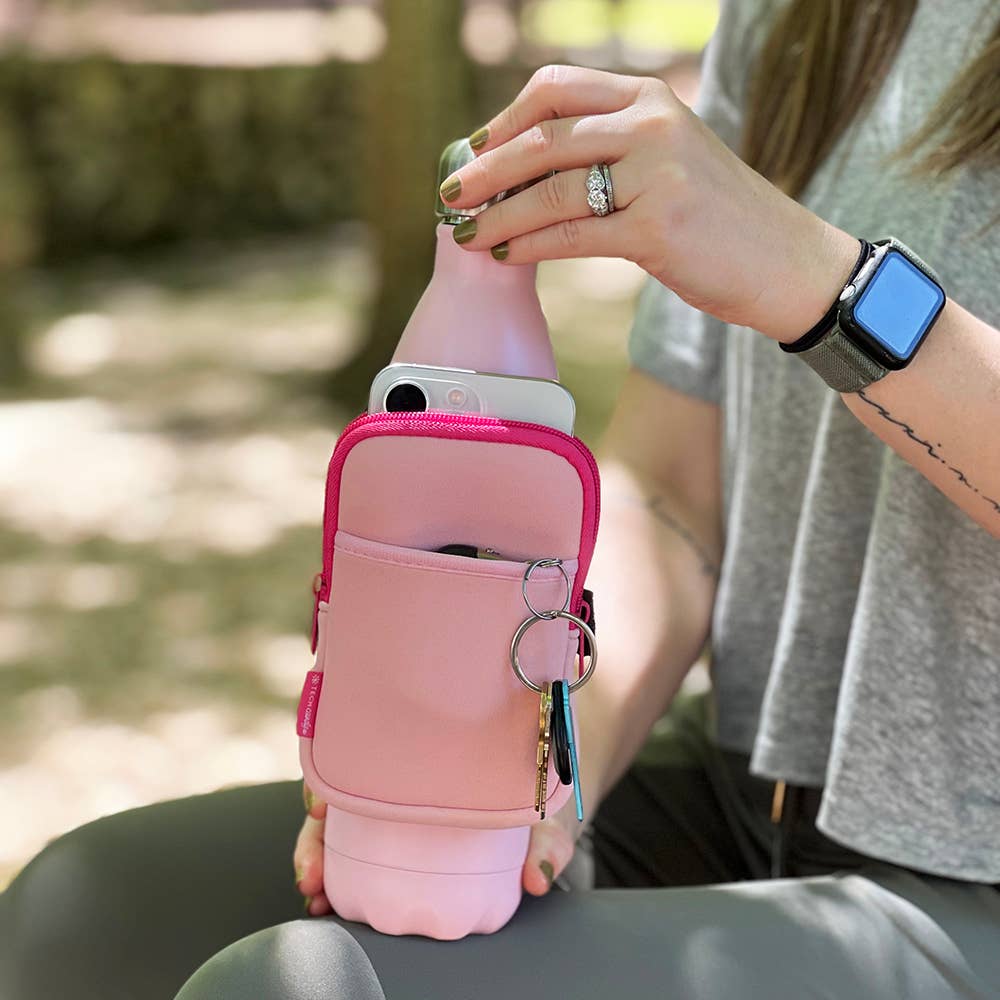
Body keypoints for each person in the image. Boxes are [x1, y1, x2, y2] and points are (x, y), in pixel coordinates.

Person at [2, 1, 998, 997]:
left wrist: (824, 286)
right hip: (742, 782)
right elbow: (674, 499)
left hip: (971, 865)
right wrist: (536, 777)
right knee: (83, 912)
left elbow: (790, 278)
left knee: (296, 988)